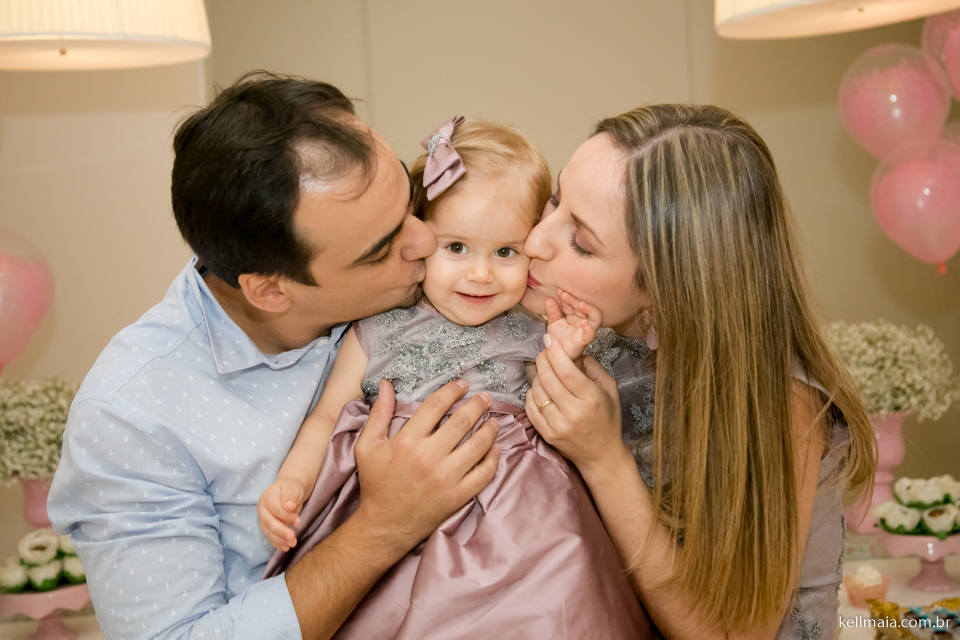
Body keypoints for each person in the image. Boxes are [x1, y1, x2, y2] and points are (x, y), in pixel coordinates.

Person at [47, 74, 503, 640]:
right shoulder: (131, 416)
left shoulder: (432, 290)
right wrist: (382, 528)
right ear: (270, 290)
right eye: (384, 248)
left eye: (413, 209)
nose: (426, 242)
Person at [258, 117, 650, 639]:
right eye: (457, 248)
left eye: (506, 252)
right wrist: (293, 482)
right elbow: (326, 415)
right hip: (392, 495)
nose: (481, 274)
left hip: (518, 516)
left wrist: (568, 348)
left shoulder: (532, 326)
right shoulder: (378, 325)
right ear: (420, 237)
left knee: (557, 597)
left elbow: (564, 402)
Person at [519, 104, 877, 640]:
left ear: (664, 293)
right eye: (555, 198)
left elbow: (735, 634)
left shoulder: (784, 403)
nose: (533, 241)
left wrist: (604, 461)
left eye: (581, 241)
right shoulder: (589, 332)